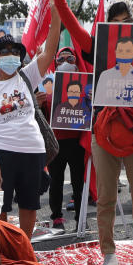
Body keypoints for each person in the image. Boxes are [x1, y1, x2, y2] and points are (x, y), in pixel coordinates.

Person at [46, 0, 133, 265]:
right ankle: (108, 252)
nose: (121, 26)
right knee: (106, 199)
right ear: (107, 26)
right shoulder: (96, 48)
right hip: (104, 131)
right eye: (115, 22)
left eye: (127, 22)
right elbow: (72, 26)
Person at [0, 17, 59, 238]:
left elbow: (49, 50)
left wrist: (55, 13)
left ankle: (24, 247)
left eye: (14, 51)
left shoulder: (27, 76)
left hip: (33, 151)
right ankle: (2, 249)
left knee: (30, 204)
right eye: (4, 52)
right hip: (0, 153)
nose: (10, 55)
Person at [47, 47, 89, 230]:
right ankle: (56, 217)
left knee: (78, 182)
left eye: (70, 59)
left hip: (77, 142)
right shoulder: (47, 86)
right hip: (55, 142)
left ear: (76, 62)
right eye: (61, 59)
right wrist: (38, 101)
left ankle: (81, 218)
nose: (65, 63)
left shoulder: (85, 86)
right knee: (55, 181)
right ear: (54, 64)